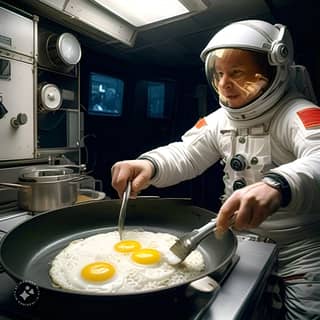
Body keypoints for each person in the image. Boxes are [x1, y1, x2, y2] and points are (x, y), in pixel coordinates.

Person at [111, 19, 320, 319]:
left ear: (275, 68)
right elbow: (186, 153)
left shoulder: (297, 113)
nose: (224, 84)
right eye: (219, 74)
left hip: (300, 250)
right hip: (241, 241)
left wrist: (278, 184)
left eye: (237, 73)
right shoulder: (220, 120)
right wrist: (149, 163)